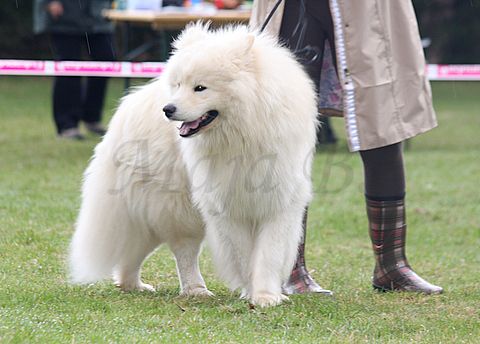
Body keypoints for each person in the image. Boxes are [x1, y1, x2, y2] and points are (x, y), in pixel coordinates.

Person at [251, 0, 443, 294]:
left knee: (383, 125)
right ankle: (286, 266)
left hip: (370, 10)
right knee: (282, 132)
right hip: (296, 6)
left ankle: (391, 266)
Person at [34, 0, 115, 140]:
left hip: (97, 16)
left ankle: (92, 116)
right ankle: (67, 124)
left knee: (105, 59)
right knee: (69, 67)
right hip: (65, 15)